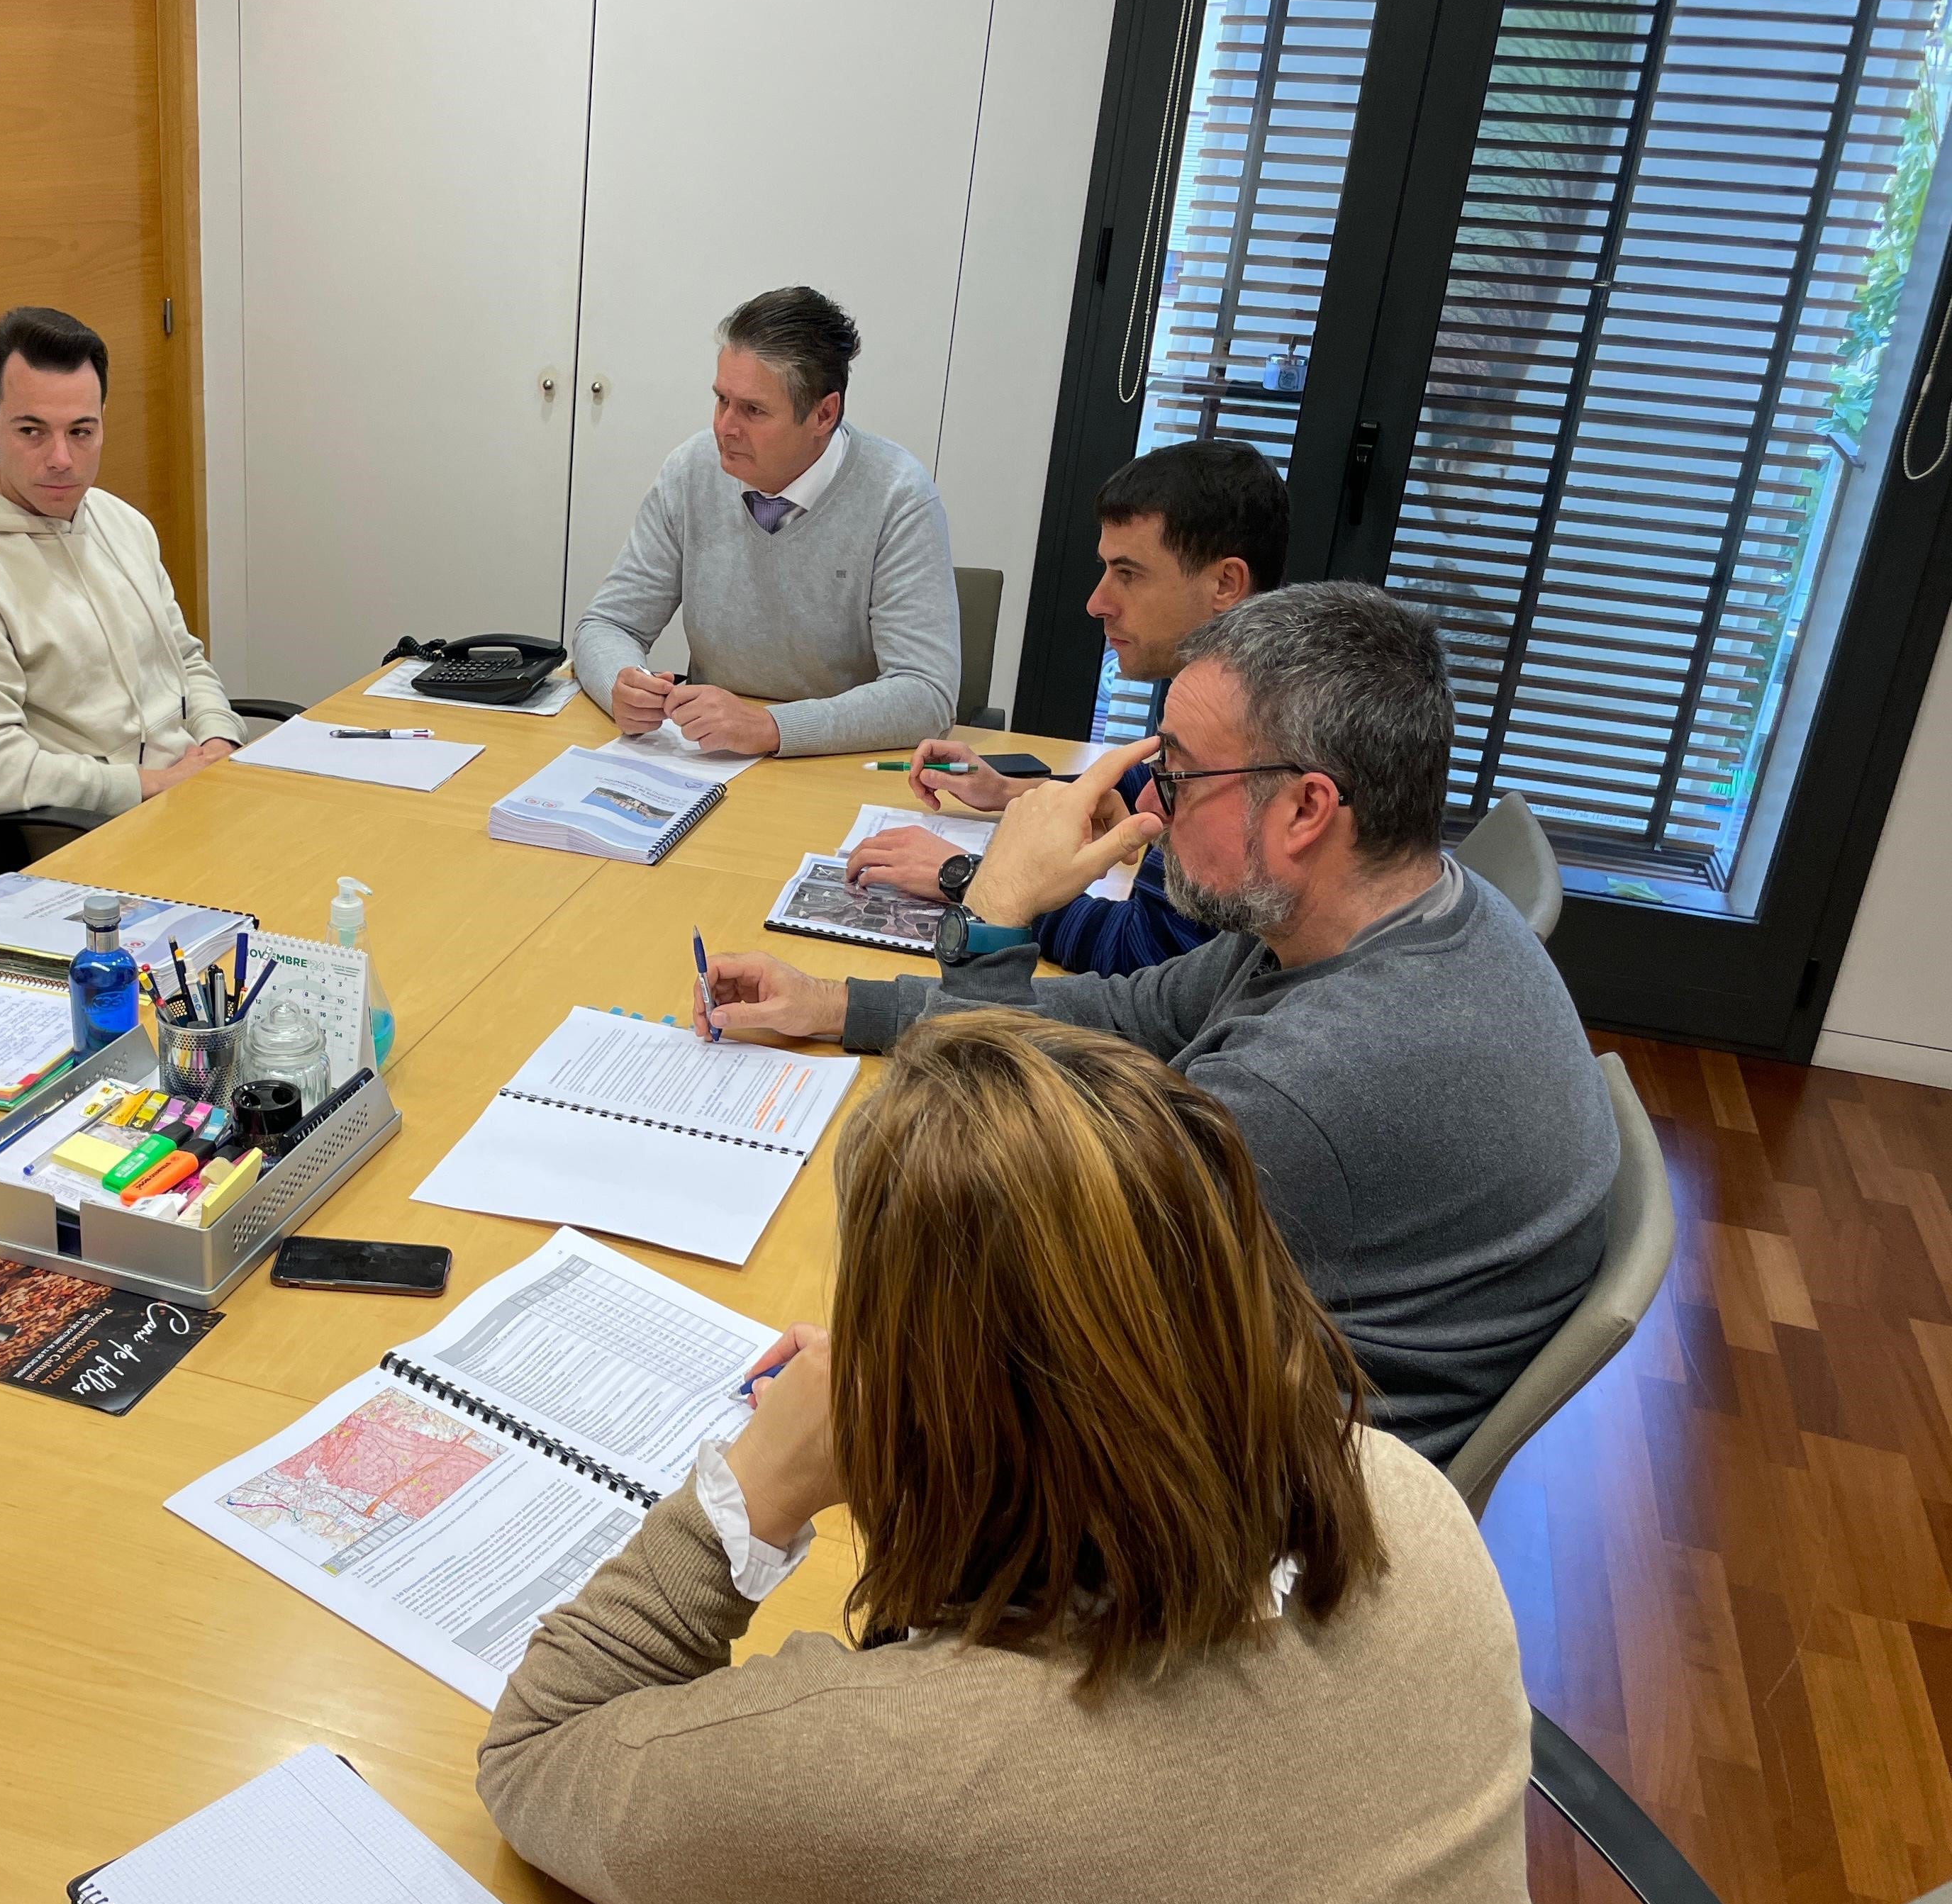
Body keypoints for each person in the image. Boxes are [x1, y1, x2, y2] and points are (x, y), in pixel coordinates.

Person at [479, 1011, 1543, 1904]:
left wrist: (759, 1482)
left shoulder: (899, 1779)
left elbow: (535, 1754)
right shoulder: (1405, 1495)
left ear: (926, 1400)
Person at [700, 582, 1613, 1460]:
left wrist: (995, 913)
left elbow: (980, 1221)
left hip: (1257, 1492)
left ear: (1306, 809)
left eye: (1178, 775)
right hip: (1241, 1354)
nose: (1147, 806)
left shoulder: (1310, 1083)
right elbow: (1130, 1015)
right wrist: (840, 1006)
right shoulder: (1383, 905)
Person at [847, 437, 1288, 973]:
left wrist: (970, 877)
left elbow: (1143, 956)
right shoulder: (1241, 681)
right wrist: (1020, 789)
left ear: (1225, 583)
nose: (1097, 602)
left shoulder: (1247, 742)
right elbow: (1152, 781)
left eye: (1128, 574)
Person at [570, 286, 961, 759]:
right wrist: (622, 684)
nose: (724, 428)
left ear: (824, 414)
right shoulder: (694, 470)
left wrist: (771, 727)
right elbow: (608, 624)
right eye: (721, 400)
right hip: (712, 762)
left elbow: (925, 694)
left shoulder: (898, 497)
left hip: (835, 766)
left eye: (753, 410)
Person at [0, 306, 243, 819]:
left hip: (189, 795)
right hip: (92, 834)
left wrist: (219, 740)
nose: (61, 459)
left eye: (81, 431)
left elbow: (184, 660)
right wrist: (148, 785)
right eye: (32, 431)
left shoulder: (120, 522)